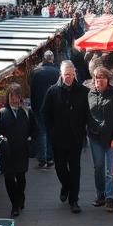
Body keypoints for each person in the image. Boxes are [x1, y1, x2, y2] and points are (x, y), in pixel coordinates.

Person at [39, 60, 88, 213]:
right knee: (60, 168)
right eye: (66, 74)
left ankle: (74, 200)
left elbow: (88, 113)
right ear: (61, 74)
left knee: (75, 169)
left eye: (72, 75)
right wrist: (51, 131)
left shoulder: (83, 91)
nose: (69, 77)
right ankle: (66, 185)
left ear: (75, 74)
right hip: (58, 138)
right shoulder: (52, 91)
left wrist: (84, 130)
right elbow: (44, 113)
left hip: (76, 138)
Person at [0, 84, 37, 217]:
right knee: (9, 179)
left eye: (16, 96)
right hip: (7, 152)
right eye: (11, 96)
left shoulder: (27, 112)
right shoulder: (1, 113)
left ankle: (20, 196)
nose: (14, 99)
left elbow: (34, 129)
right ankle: (14, 205)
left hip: (22, 151)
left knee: (21, 178)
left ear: (20, 97)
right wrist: (0, 139)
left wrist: (31, 141)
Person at [86, 66, 113, 212]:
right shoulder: (89, 94)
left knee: (109, 170)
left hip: (111, 138)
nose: (100, 81)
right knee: (98, 167)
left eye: (103, 78)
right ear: (94, 80)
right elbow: (86, 114)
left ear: (107, 80)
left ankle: (109, 198)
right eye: (97, 78)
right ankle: (100, 195)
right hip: (95, 137)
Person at [29, 50, 60, 169]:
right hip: (53, 108)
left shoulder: (36, 72)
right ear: (52, 59)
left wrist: (33, 106)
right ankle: (50, 157)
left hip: (39, 107)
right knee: (50, 131)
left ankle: (42, 158)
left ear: (44, 59)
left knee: (42, 132)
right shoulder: (57, 72)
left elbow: (32, 92)